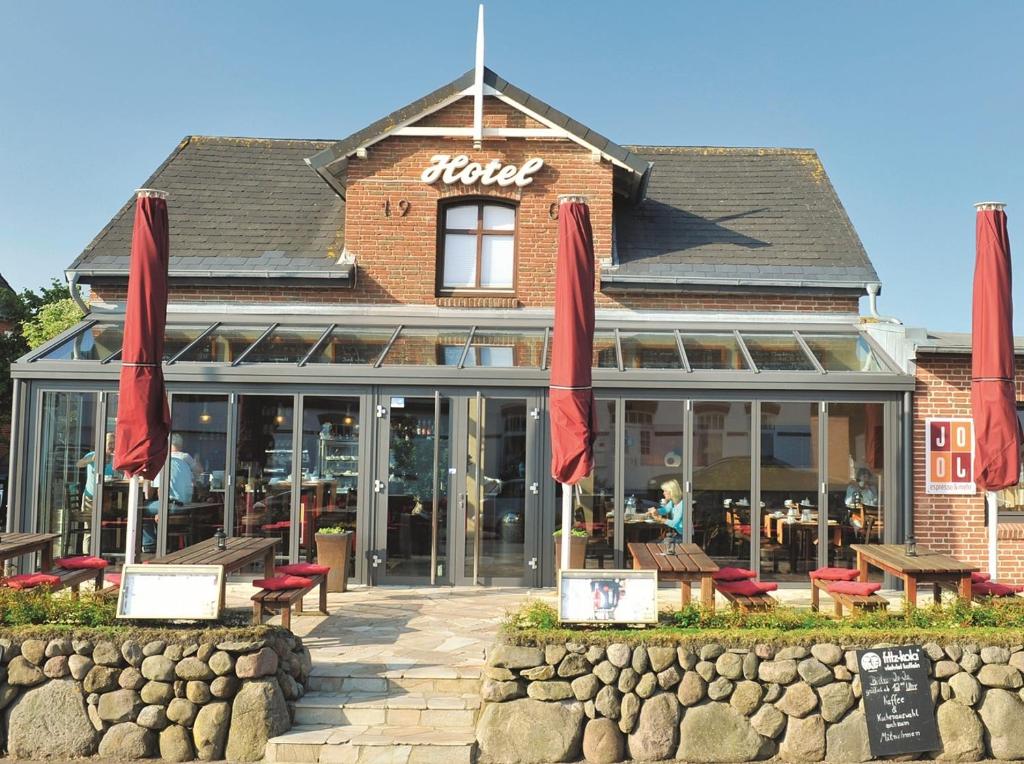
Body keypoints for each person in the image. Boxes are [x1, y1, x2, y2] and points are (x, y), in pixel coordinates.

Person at [142, 434, 197, 552]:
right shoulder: (185, 462)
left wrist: (161, 510)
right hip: (186, 506)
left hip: (171, 505)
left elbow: (161, 489)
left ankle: (149, 544)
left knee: (140, 509)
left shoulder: (163, 462)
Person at [76, 433, 118, 506]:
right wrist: (91, 460)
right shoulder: (94, 454)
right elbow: (78, 464)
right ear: (104, 444)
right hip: (90, 497)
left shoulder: (114, 458)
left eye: (114, 443)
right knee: (88, 517)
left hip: (106, 497)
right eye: (110, 443)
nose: (112, 446)